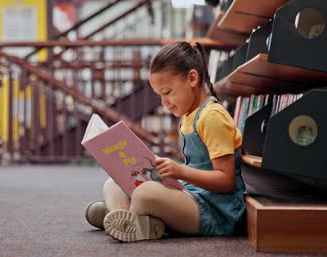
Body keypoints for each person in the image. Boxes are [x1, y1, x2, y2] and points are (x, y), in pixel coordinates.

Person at [85, 41, 245, 242]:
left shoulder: (212, 117)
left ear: (192, 78)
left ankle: (124, 215)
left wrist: (179, 171)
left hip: (215, 211)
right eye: (160, 95)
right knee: (113, 183)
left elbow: (226, 181)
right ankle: (129, 219)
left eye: (167, 92)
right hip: (192, 195)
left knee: (145, 193)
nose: (164, 102)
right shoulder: (190, 115)